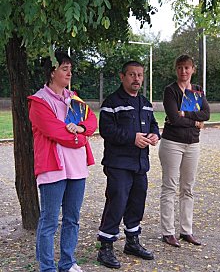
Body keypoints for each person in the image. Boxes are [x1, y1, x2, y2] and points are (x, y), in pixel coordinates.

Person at [28, 51, 97, 272]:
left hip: (76, 168)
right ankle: (47, 267)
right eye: (64, 68)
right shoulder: (39, 101)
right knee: (49, 221)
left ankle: (67, 263)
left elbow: (92, 120)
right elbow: (54, 131)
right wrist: (80, 137)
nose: (69, 72)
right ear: (51, 72)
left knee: (72, 219)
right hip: (53, 169)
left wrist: (82, 129)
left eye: (70, 68)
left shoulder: (73, 98)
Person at [97, 60, 160, 269]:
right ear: (122, 76)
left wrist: (154, 135)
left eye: (140, 75)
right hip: (118, 164)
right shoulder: (112, 102)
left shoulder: (145, 102)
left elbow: (153, 124)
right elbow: (107, 130)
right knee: (117, 201)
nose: (137, 79)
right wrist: (131, 138)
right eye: (132, 75)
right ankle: (105, 247)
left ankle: (132, 242)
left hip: (140, 164)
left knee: (137, 202)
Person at [159, 54, 210, 248]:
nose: (183, 71)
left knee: (188, 188)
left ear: (193, 70)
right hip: (172, 143)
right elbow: (174, 118)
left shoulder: (197, 91)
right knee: (170, 187)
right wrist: (196, 122)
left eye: (187, 68)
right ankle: (168, 232)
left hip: (192, 145)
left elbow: (206, 114)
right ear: (176, 70)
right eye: (180, 68)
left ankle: (186, 230)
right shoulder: (170, 91)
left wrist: (187, 114)